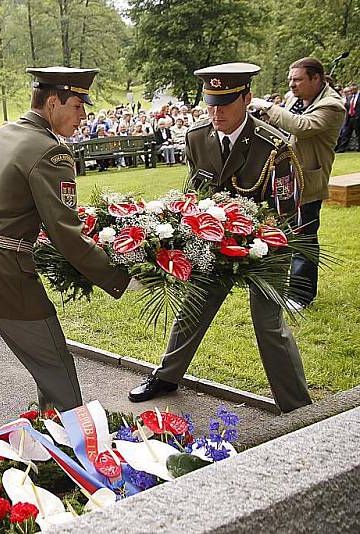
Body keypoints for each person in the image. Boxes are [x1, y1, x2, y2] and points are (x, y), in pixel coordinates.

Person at [0, 67, 131, 447]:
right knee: (56, 366)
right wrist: (121, 274)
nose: (83, 116)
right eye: (77, 106)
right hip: (5, 272)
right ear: (52, 102)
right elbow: (68, 235)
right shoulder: (51, 151)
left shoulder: (2, 134)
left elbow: (7, 204)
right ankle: (79, 452)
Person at [129, 63, 312, 414]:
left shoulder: (274, 146)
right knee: (192, 308)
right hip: (214, 244)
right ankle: (167, 375)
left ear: (246, 98)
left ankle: (298, 406)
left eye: (225, 104)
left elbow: (286, 215)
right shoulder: (197, 138)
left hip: (267, 246)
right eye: (210, 104)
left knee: (268, 322)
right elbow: (195, 194)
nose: (216, 112)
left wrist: (249, 238)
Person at [250, 57, 345, 310]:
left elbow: (301, 127)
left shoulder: (332, 105)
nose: (292, 85)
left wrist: (268, 107)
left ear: (317, 79)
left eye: (298, 79)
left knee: (304, 238)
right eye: (290, 79)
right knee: (280, 232)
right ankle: (276, 285)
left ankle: (301, 296)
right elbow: (285, 129)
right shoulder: (296, 99)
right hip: (284, 177)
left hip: (307, 181)